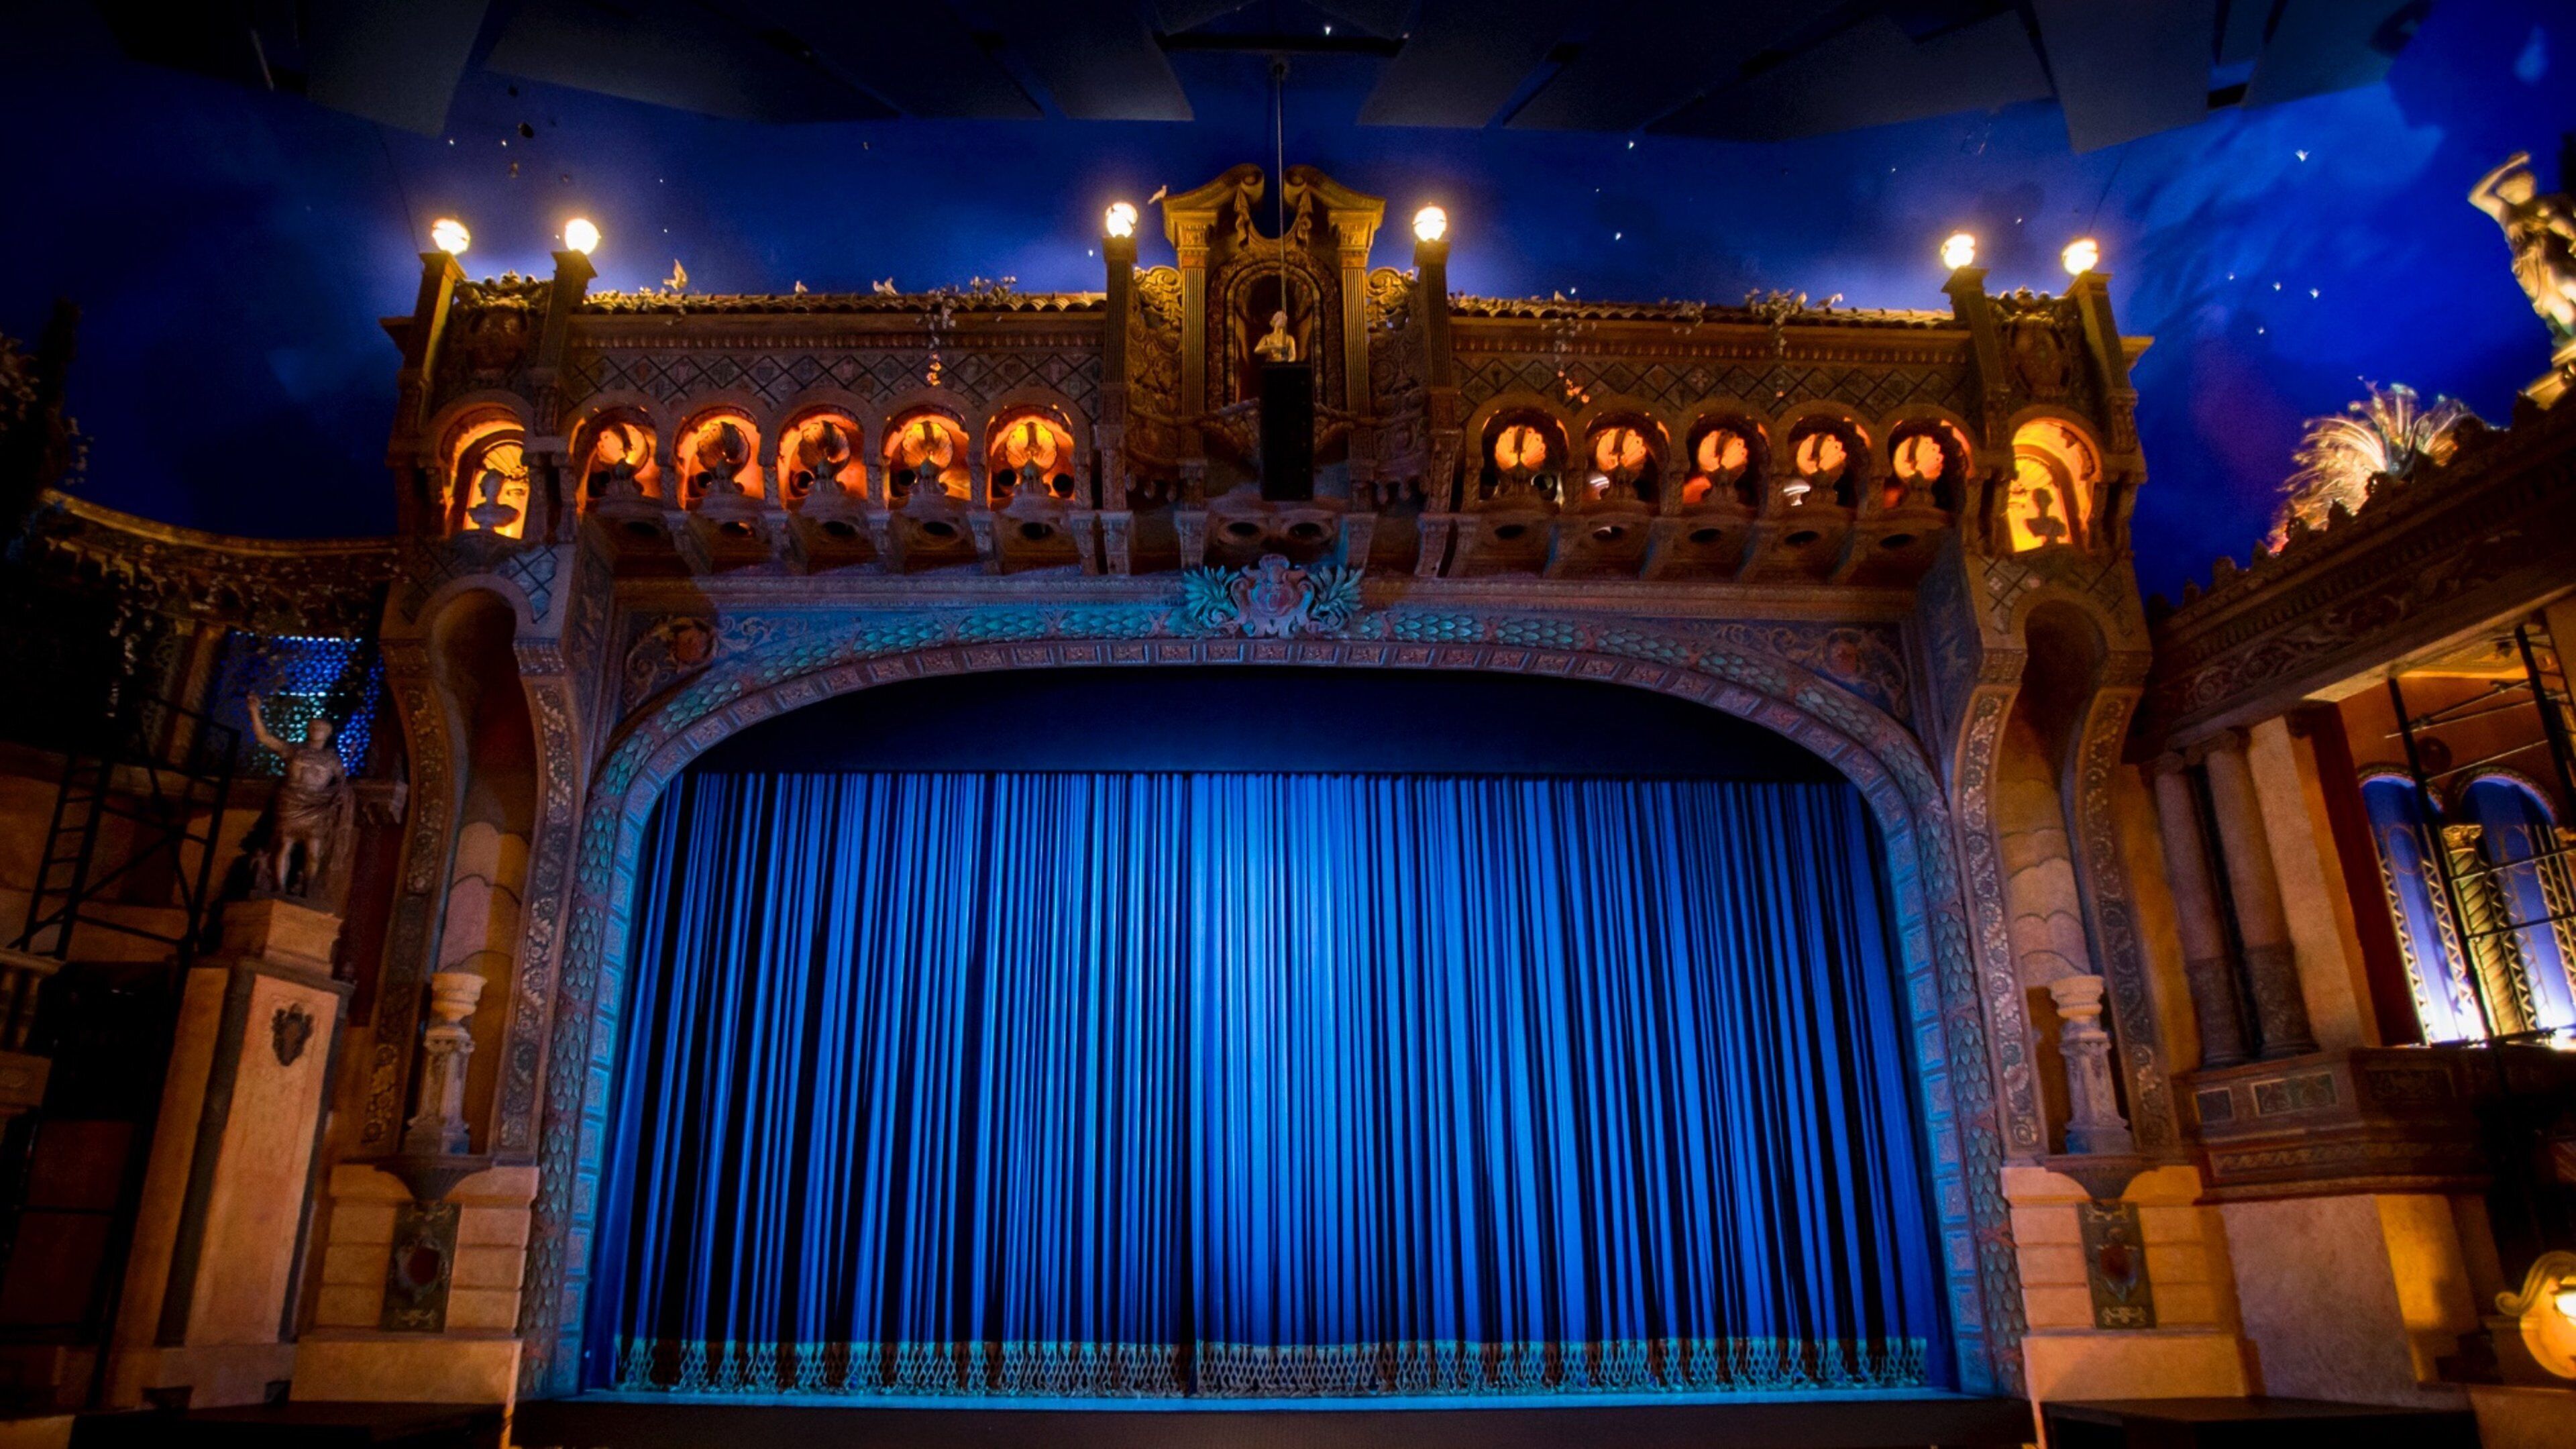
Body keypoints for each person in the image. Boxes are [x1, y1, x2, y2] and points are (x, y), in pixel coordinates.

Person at [247, 694, 352, 900]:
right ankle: (279, 887)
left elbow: (343, 785)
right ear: (308, 730)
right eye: (313, 728)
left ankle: (308, 890)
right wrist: (254, 712)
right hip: (291, 802)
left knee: (313, 850)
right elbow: (265, 738)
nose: (317, 731)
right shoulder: (294, 751)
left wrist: (338, 797)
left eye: (321, 729)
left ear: (328, 734)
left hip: (316, 806)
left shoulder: (332, 759)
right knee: (285, 844)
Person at [2470, 150, 2576, 345]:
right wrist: (2507, 166)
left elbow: (2569, 228)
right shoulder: (2507, 213)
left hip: (2556, 257)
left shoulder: (2549, 202)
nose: (2527, 185)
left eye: (2528, 181)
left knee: (2568, 283)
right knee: (2560, 308)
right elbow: (2476, 196)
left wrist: (2551, 219)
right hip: (2532, 269)